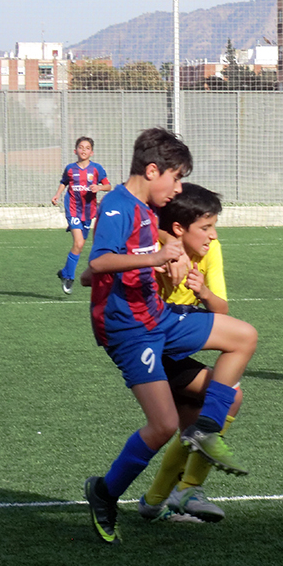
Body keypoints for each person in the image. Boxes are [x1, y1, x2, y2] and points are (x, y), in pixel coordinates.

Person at [82, 128, 257, 544]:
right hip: (130, 331)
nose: (178, 188)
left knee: (243, 336)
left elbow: (136, 246)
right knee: (162, 426)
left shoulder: (145, 209)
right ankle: (105, 493)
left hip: (158, 317)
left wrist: (166, 246)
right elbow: (100, 261)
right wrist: (158, 256)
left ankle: (206, 428)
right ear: (152, 170)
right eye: (175, 178)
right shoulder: (116, 205)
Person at [134, 183, 241, 523]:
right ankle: (187, 489)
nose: (213, 235)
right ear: (179, 229)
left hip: (179, 343)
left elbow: (221, 309)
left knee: (192, 424)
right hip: (153, 346)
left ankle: (154, 502)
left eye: (213, 226)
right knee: (229, 398)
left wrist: (203, 292)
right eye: (206, 227)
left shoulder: (211, 250)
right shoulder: (154, 249)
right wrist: (164, 260)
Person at [51, 136, 112, 294]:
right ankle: (69, 278)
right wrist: (57, 195)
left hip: (88, 212)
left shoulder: (97, 169)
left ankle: (65, 272)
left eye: (87, 148)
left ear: (92, 152)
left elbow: (108, 186)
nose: (84, 150)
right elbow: (64, 182)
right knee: (78, 243)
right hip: (73, 210)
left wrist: (99, 188)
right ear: (75, 150)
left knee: (80, 246)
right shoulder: (70, 169)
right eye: (81, 147)